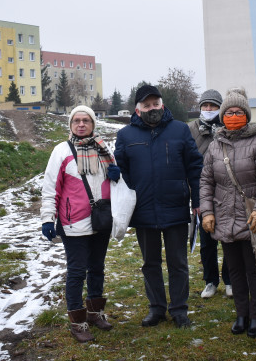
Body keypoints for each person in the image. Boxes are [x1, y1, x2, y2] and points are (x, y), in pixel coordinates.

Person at [114, 84, 203, 328]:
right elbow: (121, 173)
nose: (152, 108)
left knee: (178, 263)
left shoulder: (180, 130)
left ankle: (179, 309)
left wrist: (197, 200)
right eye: (147, 105)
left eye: (156, 104)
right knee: (150, 263)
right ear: (137, 108)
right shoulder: (126, 136)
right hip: (143, 210)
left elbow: (195, 168)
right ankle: (156, 308)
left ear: (162, 104)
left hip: (175, 207)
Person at [40, 105, 121, 343]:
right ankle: (78, 322)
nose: (81, 124)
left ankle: (95, 313)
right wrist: (48, 218)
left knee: (97, 268)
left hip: (101, 220)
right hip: (73, 221)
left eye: (86, 120)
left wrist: (117, 175)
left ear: (93, 124)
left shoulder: (104, 149)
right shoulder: (61, 151)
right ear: (71, 124)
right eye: (76, 120)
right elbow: (50, 187)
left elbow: (114, 185)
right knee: (76, 273)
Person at [200, 87, 256, 338]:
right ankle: (241, 314)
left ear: (246, 114)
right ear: (223, 116)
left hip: (250, 215)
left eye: (238, 111)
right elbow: (206, 181)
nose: (233, 115)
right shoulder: (215, 145)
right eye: (229, 112)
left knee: (254, 268)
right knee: (234, 269)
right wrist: (207, 212)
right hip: (224, 216)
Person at [187, 89, 232, 299]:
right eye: (205, 106)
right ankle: (210, 281)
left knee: (229, 239)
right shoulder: (191, 129)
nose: (208, 109)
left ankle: (230, 280)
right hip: (201, 193)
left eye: (213, 106)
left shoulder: (227, 127)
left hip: (226, 192)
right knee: (207, 241)